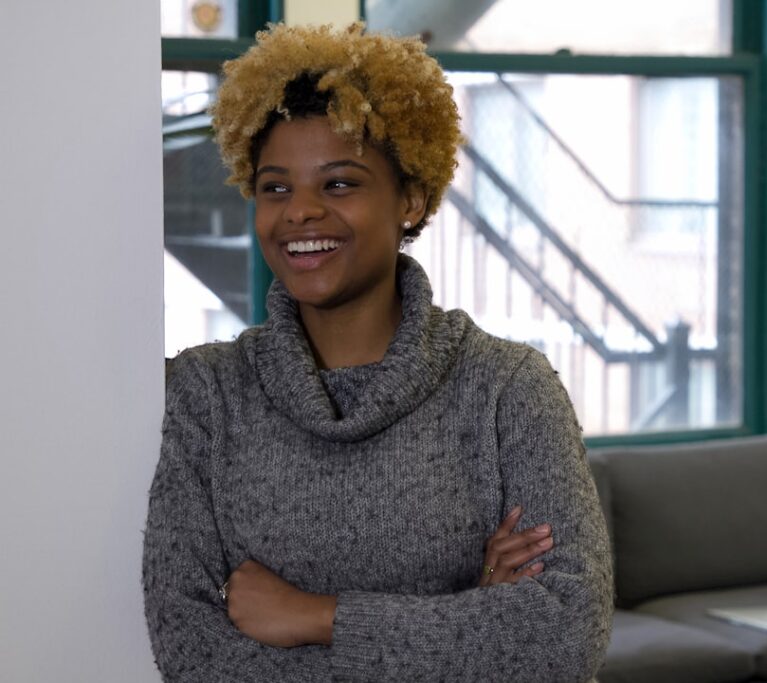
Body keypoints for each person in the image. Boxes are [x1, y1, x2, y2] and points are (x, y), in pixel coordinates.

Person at [143, 22, 613, 682]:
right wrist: (468, 623)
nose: (299, 212)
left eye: (339, 184)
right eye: (276, 187)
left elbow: (564, 636)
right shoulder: (207, 394)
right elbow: (192, 653)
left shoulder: (507, 388)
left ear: (411, 200)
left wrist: (316, 616)